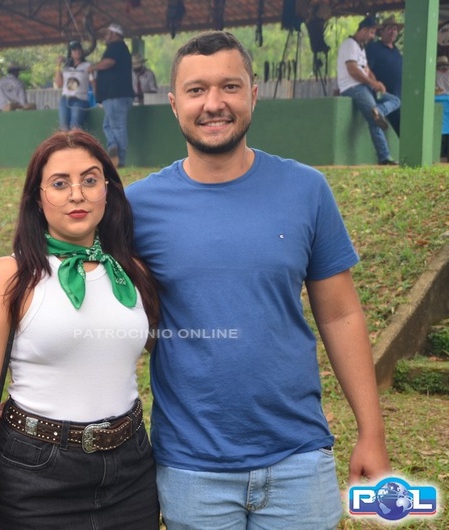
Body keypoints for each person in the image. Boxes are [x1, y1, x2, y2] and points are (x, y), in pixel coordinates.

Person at [125, 31, 390, 529]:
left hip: (298, 458)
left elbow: (341, 314)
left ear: (253, 94)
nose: (213, 103)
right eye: (196, 90)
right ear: (174, 103)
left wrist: (371, 433)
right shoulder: (137, 207)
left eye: (229, 86)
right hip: (191, 466)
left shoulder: (306, 189)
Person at [0, 129, 160, 529]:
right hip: (37, 475)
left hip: (130, 470)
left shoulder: (132, 272)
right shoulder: (9, 277)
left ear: (108, 190)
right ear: (38, 198)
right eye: (60, 184)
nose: (77, 195)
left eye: (90, 180)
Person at [337, 15, 401, 165]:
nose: (372, 36)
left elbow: (366, 69)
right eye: (372, 32)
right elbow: (353, 70)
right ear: (364, 30)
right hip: (353, 87)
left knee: (395, 100)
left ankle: (378, 112)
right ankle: (384, 157)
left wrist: (375, 83)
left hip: (365, 86)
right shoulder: (349, 44)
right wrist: (371, 82)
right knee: (374, 120)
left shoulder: (360, 47)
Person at [89, 23, 134, 167]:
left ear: (114, 34)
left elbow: (109, 62)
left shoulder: (116, 47)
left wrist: (94, 67)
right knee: (108, 125)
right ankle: (113, 147)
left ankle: (120, 160)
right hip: (114, 95)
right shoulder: (121, 48)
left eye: (107, 33)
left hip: (115, 94)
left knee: (117, 126)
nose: (105, 36)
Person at [366, 15, 404, 134]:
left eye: (395, 29)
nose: (393, 31)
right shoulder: (374, 48)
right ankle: (378, 112)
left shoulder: (396, 51)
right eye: (389, 28)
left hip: (399, 98)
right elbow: (366, 69)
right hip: (384, 97)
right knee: (402, 131)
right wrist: (375, 84)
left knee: (404, 131)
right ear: (381, 32)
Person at [55, 40, 92, 130]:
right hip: (65, 98)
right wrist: (58, 65)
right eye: (74, 50)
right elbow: (59, 84)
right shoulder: (66, 67)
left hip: (79, 99)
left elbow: (93, 81)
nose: (77, 51)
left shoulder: (87, 65)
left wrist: (98, 99)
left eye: (79, 49)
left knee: (75, 127)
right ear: (70, 53)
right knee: (63, 127)